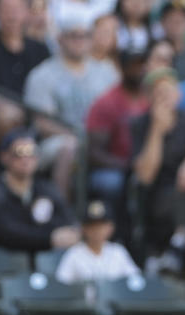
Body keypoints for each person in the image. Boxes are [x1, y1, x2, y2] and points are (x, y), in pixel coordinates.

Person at [23, 9, 119, 198]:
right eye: (73, 36)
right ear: (60, 39)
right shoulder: (43, 74)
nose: (79, 41)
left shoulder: (107, 72)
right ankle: (63, 212)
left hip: (100, 141)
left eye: (85, 36)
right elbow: (42, 123)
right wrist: (79, 136)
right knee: (69, 146)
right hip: (57, 141)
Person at [131, 68, 185, 271]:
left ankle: (179, 242)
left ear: (178, 94)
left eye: (168, 92)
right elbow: (146, 175)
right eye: (158, 93)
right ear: (149, 97)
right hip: (155, 194)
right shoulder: (140, 124)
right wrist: (156, 130)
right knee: (172, 194)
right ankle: (178, 244)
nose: (164, 98)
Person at [0, 129, 80, 253]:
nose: (25, 159)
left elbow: (67, 220)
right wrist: (48, 238)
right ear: (4, 156)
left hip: (44, 260)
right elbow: (6, 232)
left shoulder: (46, 188)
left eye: (31, 152)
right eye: (19, 153)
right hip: (4, 262)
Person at [0, 0, 51, 149]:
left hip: (36, 115)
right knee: (7, 115)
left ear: (27, 13)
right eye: (6, 9)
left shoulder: (41, 49)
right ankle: (10, 165)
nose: (12, 15)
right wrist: (18, 111)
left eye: (17, 9)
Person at [85, 48, 151, 207]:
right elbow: (94, 152)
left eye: (142, 64)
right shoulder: (107, 102)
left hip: (147, 161)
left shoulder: (151, 97)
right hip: (115, 166)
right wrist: (127, 166)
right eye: (133, 65)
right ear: (123, 68)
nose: (139, 70)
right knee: (111, 182)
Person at [55, 200, 140, 284]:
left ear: (111, 227)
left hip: (114, 298)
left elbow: (135, 281)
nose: (96, 230)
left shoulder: (118, 252)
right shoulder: (74, 253)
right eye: (92, 226)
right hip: (85, 298)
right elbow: (61, 284)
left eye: (101, 226)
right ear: (84, 228)